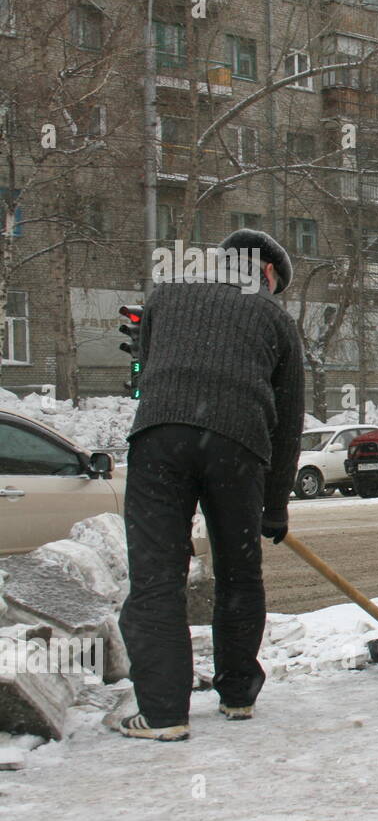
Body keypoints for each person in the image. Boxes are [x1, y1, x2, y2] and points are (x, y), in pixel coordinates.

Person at [116, 229, 304, 740]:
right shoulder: (275, 319)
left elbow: (146, 371)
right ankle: (238, 694)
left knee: (156, 575)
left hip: (159, 437)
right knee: (239, 571)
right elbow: (287, 425)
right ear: (267, 272)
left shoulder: (166, 294)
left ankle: (162, 714)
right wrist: (274, 508)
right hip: (239, 448)